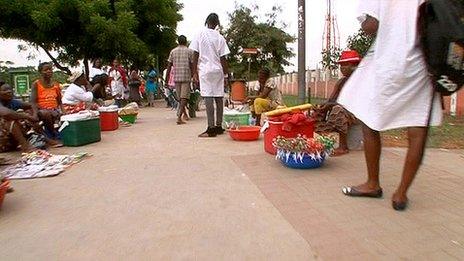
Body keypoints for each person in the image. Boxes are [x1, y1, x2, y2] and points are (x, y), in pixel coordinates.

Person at [338, 1, 442, 211]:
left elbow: (370, 26)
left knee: (369, 119)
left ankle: (372, 183)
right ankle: (401, 194)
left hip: (390, 60)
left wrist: (370, 19)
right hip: (424, 62)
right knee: (418, 126)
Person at [190, 13, 230, 137]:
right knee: (219, 97)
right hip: (218, 70)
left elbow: (195, 55)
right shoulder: (220, 38)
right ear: (217, 24)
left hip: (205, 70)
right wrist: (226, 75)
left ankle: (210, 128)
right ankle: (219, 126)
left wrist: (194, 72)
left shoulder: (199, 34)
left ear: (207, 22)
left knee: (208, 96)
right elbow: (223, 58)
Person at [314, 50, 360, 156]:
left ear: (355, 66)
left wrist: (331, 105)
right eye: (341, 65)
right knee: (316, 111)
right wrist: (322, 107)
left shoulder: (361, 81)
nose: (342, 68)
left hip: (358, 113)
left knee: (337, 110)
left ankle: (343, 147)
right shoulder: (341, 82)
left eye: (345, 65)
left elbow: (354, 103)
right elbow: (331, 100)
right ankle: (325, 141)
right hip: (343, 111)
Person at [0, 83, 60, 152]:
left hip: (12, 141)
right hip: (2, 142)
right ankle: (25, 147)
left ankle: (46, 139)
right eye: (5, 90)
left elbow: (32, 105)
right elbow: (7, 114)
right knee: (10, 120)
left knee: (38, 113)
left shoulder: (12, 102)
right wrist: (27, 117)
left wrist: (34, 115)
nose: (9, 91)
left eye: (10, 89)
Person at [30, 62, 63, 140]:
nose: (49, 71)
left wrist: (63, 111)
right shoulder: (36, 84)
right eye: (46, 70)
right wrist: (37, 113)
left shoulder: (56, 84)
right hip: (41, 110)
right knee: (46, 113)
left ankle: (56, 133)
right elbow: (33, 102)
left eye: (50, 69)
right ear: (40, 72)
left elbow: (59, 101)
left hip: (55, 109)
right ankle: (53, 134)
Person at [166, 35, 194, 125]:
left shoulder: (173, 51)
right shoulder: (190, 51)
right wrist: (194, 75)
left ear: (178, 42)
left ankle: (184, 114)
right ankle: (179, 117)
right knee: (184, 97)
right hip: (186, 76)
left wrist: (166, 80)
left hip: (176, 77)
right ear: (186, 42)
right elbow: (192, 64)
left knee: (180, 98)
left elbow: (169, 66)